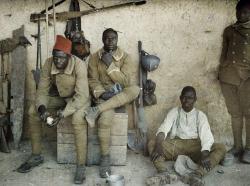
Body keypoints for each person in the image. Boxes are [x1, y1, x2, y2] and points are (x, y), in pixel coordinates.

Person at [17, 35, 90, 184]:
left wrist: (63, 114)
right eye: (55, 57)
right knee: (33, 111)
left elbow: (82, 95)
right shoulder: (49, 63)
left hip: (78, 100)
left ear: (69, 56)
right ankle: (36, 155)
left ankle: (81, 165)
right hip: (60, 98)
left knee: (77, 119)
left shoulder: (79, 65)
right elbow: (42, 91)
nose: (58, 61)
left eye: (62, 58)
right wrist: (43, 109)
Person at [86, 28, 140, 178]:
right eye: (107, 38)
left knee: (135, 89)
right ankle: (105, 159)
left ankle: (96, 110)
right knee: (104, 120)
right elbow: (92, 80)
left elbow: (125, 82)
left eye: (113, 39)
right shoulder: (95, 57)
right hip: (103, 96)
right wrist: (102, 93)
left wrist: (110, 64)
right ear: (102, 40)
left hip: (119, 96)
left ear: (117, 40)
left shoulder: (126, 57)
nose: (110, 41)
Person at [148, 86, 226, 186]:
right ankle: (163, 173)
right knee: (152, 143)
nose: (186, 101)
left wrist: (205, 153)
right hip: (176, 145)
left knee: (220, 147)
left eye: (190, 98)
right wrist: (158, 145)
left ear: (195, 99)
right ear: (180, 98)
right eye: (184, 97)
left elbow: (206, 136)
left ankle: (196, 175)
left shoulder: (200, 115)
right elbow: (163, 129)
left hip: (195, 147)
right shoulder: (174, 112)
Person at [218, 0, 250, 163]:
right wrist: (222, 69)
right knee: (235, 114)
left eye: (245, 12)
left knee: (249, 114)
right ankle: (237, 146)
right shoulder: (229, 31)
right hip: (229, 77)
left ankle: (249, 149)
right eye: (239, 11)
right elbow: (224, 53)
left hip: (247, 78)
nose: (241, 15)